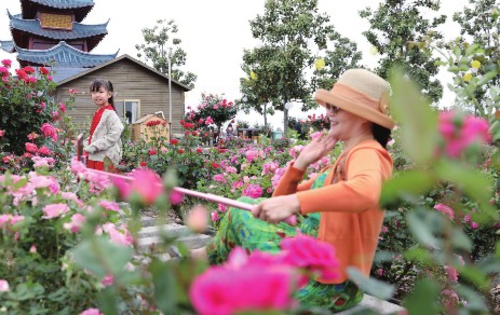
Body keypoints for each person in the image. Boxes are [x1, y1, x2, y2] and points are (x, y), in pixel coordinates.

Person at [187, 69, 396, 312]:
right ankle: (208, 265)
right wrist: (300, 164)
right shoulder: (345, 159)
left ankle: (205, 266)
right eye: (329, 105)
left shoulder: (368, 152)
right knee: (244, 207)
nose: (328, 112)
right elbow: (278, 204)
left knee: (240, 214)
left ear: (363, 117)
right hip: (323, 273)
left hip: (328, 284)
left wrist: (296, 202)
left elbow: (367, 191)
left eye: (336, 107)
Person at [83, 79, 124, 171]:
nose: (97, 95)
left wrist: (94, 146)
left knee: (103, 183)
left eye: (100, 92)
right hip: (95, 156)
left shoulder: (110, 114)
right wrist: (85, 144)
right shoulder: (98, 112)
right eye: (93, 92)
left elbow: (114, 135)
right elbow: (95, 135)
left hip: (104, 159)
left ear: (109, 94)